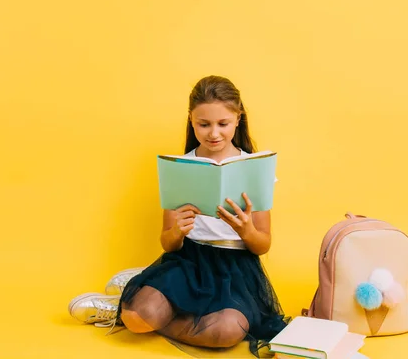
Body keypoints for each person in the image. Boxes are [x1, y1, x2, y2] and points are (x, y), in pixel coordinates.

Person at [68, 75, 290, 357]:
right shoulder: (181, 167)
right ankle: (127, 307)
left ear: (238, 118)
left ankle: (136, 302)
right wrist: (178, 231)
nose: (214, 133)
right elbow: (168, 243)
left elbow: (263, 244)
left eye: (223, 124)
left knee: (227, 332)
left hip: (235, 270)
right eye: (203, 124)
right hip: (188, 262)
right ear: (191, 120)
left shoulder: (255, 169)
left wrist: (247, 230)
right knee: (138, 317)